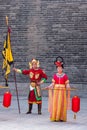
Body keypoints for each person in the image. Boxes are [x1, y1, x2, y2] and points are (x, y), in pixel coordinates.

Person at [47, 56, 71, 122]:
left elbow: (67, 83)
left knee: (61, 103)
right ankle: (55, 117)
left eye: (60, 68)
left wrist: (68, 86)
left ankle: (61, 117)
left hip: (62, 91)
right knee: (56, 103)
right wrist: (49, 86)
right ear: (57, 69)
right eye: (58, 68)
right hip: (56, 91)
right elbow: (53, 83)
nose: (59, 69)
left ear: (62, 68)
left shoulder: (65, 75)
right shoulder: (55, 75)